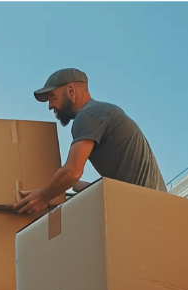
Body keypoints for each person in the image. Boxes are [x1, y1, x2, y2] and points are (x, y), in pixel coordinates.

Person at [15, 68, 167, 215]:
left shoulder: (88, 115)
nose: (50, 106)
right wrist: (73, 187)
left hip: (145, 209)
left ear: (71, 91)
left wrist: (43, 197)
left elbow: (72, 172)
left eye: (52, 97)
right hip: (154, 205)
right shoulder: (102, 112)